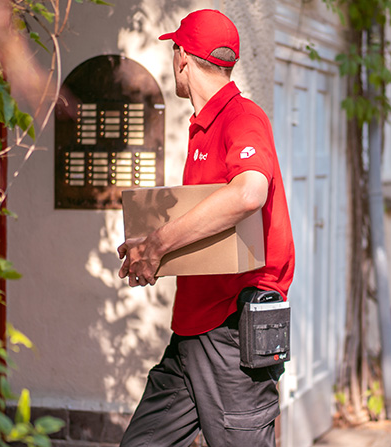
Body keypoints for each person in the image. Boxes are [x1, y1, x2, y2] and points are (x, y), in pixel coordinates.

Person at [116, 9, 295, 447]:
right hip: (193, 332)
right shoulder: (204, 128)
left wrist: (158, 245)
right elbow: (210, 224)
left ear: (182, 58)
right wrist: (152, 251)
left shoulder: (241, 118)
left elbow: (249, 192)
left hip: (231, 334)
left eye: (174, 51)